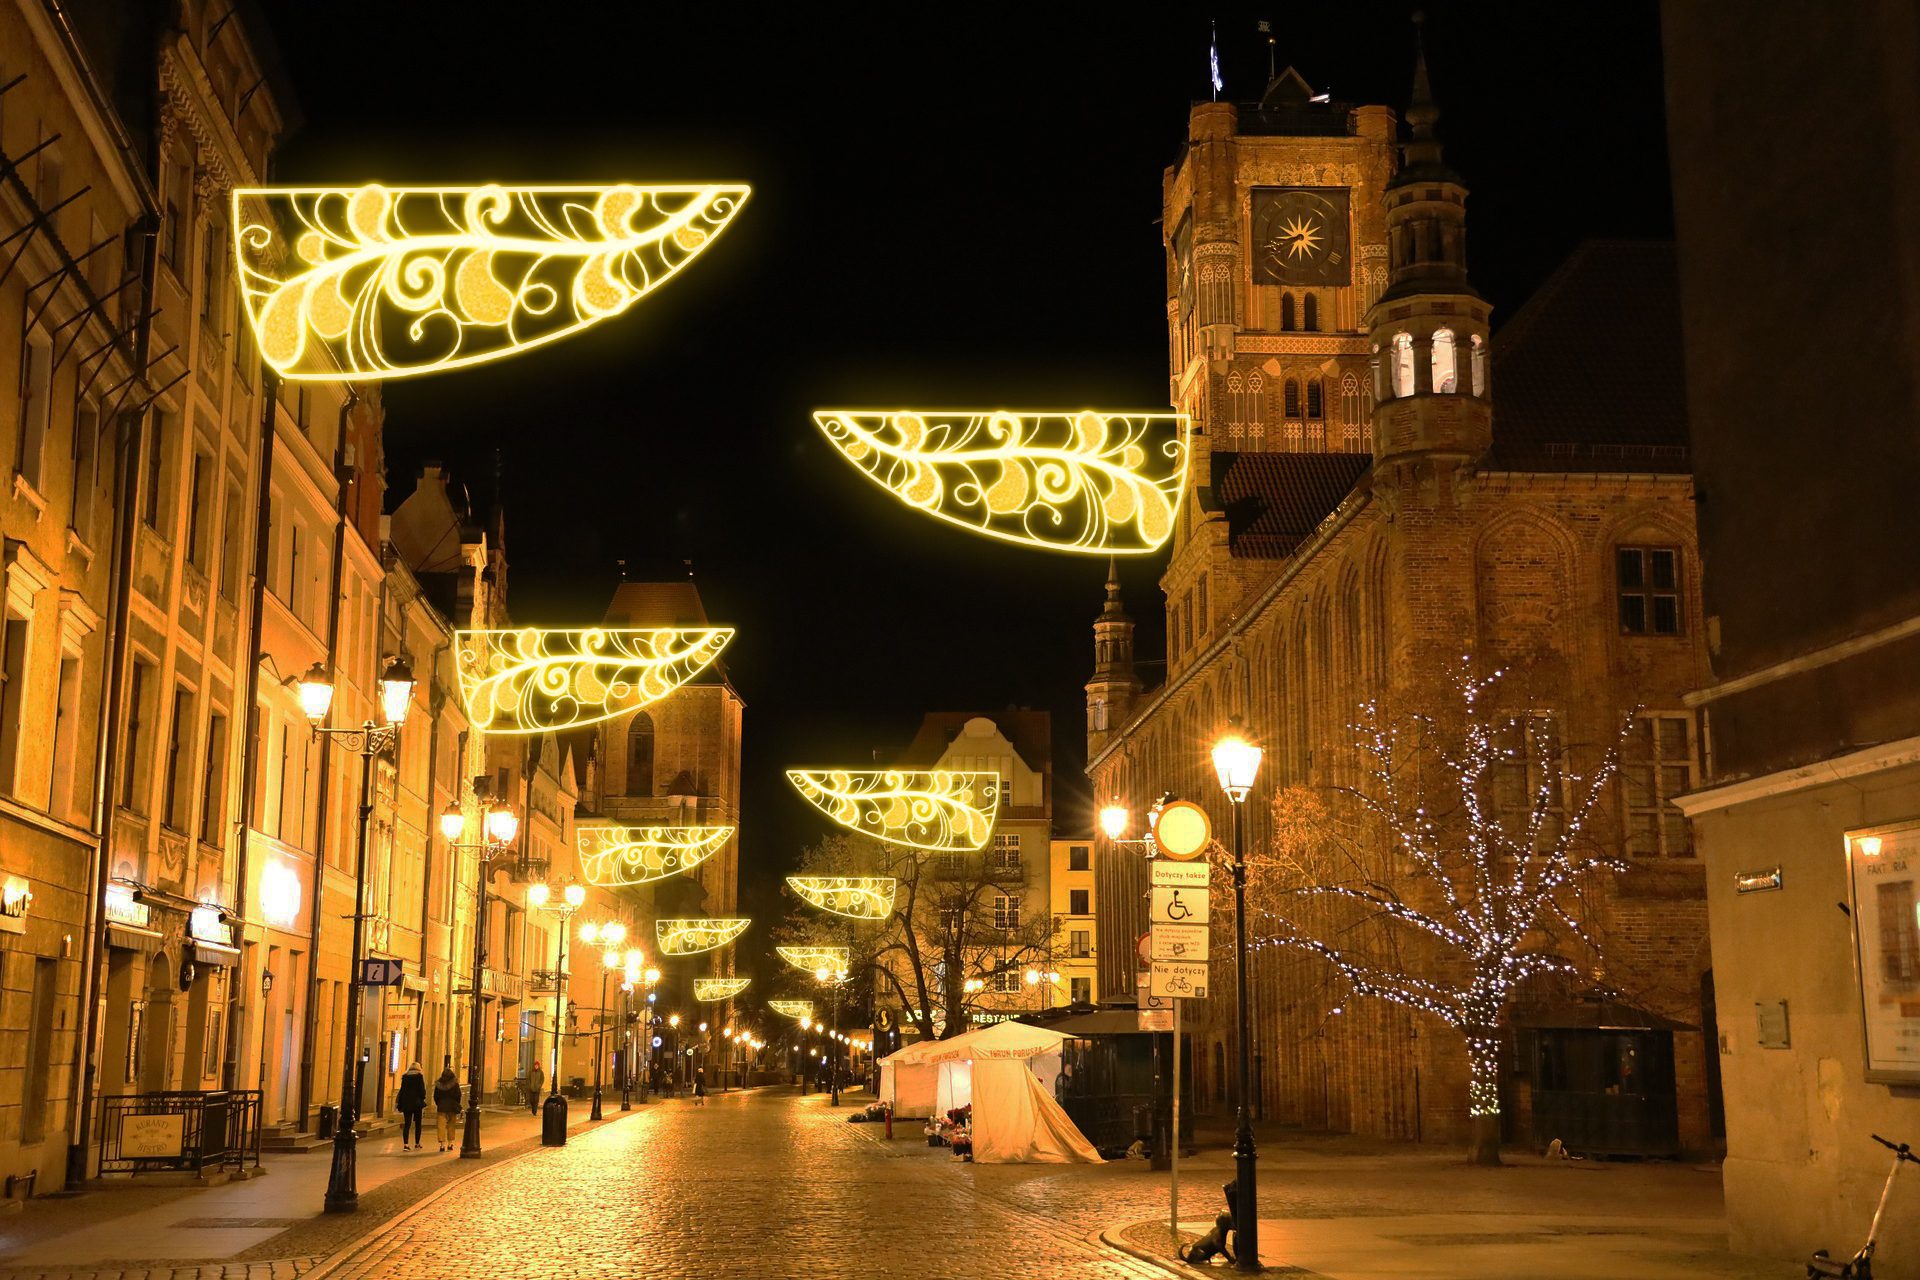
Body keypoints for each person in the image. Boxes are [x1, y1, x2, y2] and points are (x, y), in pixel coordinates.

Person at [433, 1056, 462, 1152]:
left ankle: (442, 1145)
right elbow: (458, 1095)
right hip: (452, 1106)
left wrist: (439, 1103)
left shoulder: (438, 1084)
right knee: (451, 1125)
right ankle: (450, 1143)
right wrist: (456, 1103)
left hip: (441, 1106)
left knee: (441, 1125)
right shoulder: (455, 1084)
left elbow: (436, 1096)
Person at [396, 1061, 427, 1151]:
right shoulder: (419, 1077)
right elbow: (422, 1091)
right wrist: (422, 1097)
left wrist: (400, 1102)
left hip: (406, 1103)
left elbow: (402, 1091)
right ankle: (417, 1143)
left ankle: (406, 1144)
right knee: (418, 1124)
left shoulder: (405, 1077)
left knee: (407, 1124)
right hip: (417, 1104)